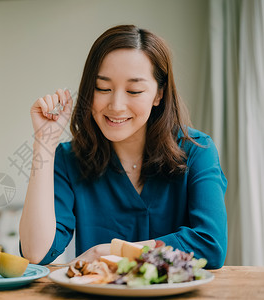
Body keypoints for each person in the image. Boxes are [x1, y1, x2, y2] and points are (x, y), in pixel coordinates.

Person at [19, 24, 227, 269]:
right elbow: (35, 254)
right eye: (103, 88)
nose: (116, 105)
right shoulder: (68, 159)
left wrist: (113, 251)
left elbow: (210, 244)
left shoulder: (197, 150)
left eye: (134, 90)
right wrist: (44, 143)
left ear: (158, 94)